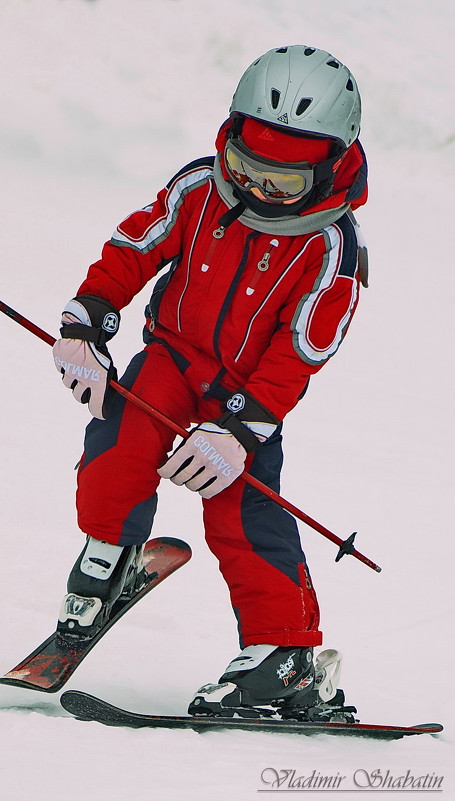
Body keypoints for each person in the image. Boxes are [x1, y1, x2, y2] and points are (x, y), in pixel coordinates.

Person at [51, 45, 368, 719]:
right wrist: (88, 317)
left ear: (329, 166)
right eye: (247, 169)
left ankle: (283, 654)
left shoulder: (330, 246)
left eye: (281, 183)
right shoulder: (199, 187)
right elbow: (137, 247)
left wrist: (241, 428)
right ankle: (110, 551)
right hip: (170, 360)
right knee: (116, 444)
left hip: (245, 397)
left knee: (240, 510)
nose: (257, 191)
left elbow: (302, 347)